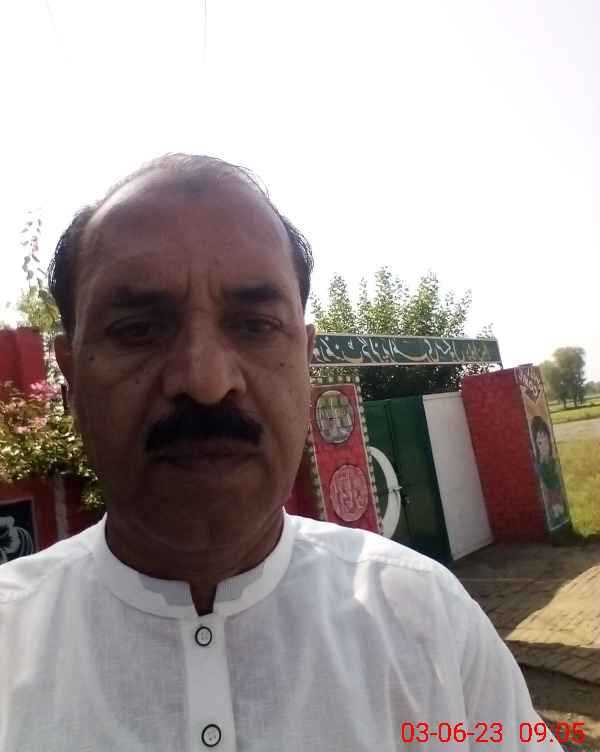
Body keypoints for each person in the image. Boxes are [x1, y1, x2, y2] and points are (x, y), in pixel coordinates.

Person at [1, 154, 560, 751]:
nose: (206, 381)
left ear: (305, 363)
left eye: (255, 325)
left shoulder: (430, 621)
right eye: (138, 330)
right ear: (71, 377)